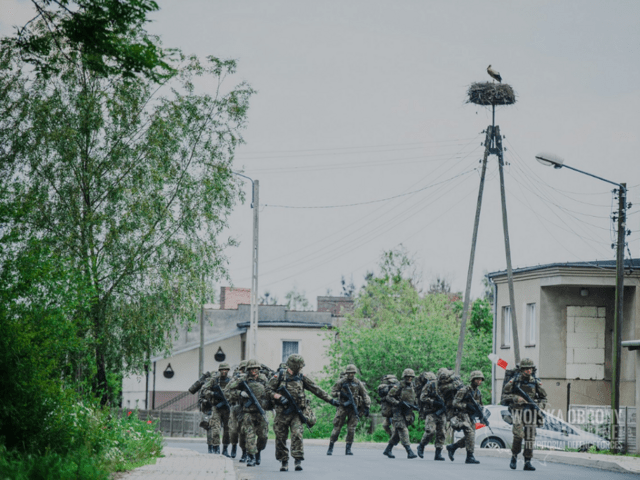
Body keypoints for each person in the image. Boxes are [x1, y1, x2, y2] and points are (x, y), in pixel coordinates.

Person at [267, 354, 339, 472]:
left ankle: (297, 460)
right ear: (294, 366)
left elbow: (317, 389)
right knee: (280, 437)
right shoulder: (279, 376)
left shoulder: (301, 377)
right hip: (282, 412)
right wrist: (278, 396)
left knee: (297, 435)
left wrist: (331, 400)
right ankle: (284, 461)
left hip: (296, 412)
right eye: (299, 367)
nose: (301, 369)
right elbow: (267, 390)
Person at [502, 358, 547, 471]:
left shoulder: (536, 382)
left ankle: (527, 461)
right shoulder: (514, 381)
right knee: (518, 435)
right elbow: (505, 396)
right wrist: (516, 398)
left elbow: (544, 398)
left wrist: (538, 407)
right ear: (522, 369)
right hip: (518, 411)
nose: (528, 370)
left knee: (530, 438)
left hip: (531, 412)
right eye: (526, 368)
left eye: (530, 368)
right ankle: (514, 456)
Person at [227, 359, 269, 467]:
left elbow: (270, 391)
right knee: (249, 435)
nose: (254, 371)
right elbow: (228, 391)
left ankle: (258, 451)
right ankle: (251, 457)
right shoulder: (242, 379)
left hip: (261, 412)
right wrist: (240, 393)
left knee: (263, 436)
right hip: (247, 412)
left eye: (256, 368)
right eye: (251, 369)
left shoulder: (263, 379)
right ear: (248, 370)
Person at [327, 364, 371, 456]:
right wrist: (341, 394)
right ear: (347, 373)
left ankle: (348, 449)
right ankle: (330, 447)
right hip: (343, 407)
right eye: (350, 373)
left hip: (353, 408)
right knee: (337, 427)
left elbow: (365, 395)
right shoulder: (341, 382)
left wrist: (367, 407)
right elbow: (333, 393)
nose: (351, 374)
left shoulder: (358, 382)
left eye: (353, 373)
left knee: (351, 429)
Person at [445, 370, 485, 464]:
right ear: (473, 379)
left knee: (470, 436)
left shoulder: (478, 392)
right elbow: (455, 403)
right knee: (470, 434)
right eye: (477, 379)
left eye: (480, 379)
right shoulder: (464, 390)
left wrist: (481, 414)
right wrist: (466, 406)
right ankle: (470, 456)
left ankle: (453, 447)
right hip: (462, 415)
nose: (479, 381)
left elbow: (480, 405)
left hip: (471, 416)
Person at [383, 368, 418, 459]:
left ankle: (388, 449)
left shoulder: (413, 386)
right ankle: (409, 451)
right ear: (404, 377)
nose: (409, 378)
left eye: (411, 377)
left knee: (397, 434)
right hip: (398, 412)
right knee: (403, 430)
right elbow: (389, 397)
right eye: (408, 377)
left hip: (407, 413)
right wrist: (399, 403)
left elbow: (414, 398)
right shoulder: (399, 386)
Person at [201, 363, 232, 455]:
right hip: (216, 407)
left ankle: (225, 448)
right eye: (222, 370)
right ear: (219, 370)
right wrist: (214, 394)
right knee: (215, 428)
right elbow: (204, 390)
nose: (224, 371)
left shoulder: (231, 381)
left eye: (226, 370)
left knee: (228, 429)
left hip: (227, 408)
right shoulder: (214, 380)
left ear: (228, 370)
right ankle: (216, 447)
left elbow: (235, 391)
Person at [417, 371, 446, 461]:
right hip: (431, 412)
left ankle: (438, 453)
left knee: (442, 433)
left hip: (442, 412)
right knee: (430, 431)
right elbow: (422, 397)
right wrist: (433, 402)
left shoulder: (448, 386)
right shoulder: (431, 385)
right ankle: (421, 446)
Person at [227, 360, 247, 460]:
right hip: (235, 407)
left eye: (246, 369)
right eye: (242, 369)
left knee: (243, 432)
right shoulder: (235, 379)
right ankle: (234, 445)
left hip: (245, 409)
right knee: (233, 430)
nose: (244, 371)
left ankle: (244, 452)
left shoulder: (251, 379)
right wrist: (239, 393)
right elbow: (228, 391)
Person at [376, 374, 399, 439]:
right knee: (385, 425)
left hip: (395, 410)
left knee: (395, 427)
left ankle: (393, 440)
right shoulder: (384, 387)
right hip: (388, 410)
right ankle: (393, 437)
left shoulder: (397, 387)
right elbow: (381, 394)